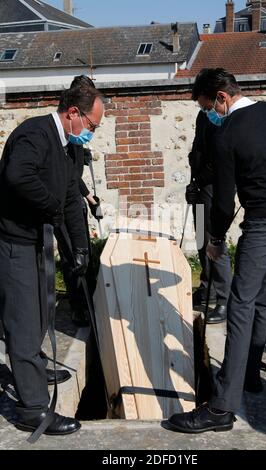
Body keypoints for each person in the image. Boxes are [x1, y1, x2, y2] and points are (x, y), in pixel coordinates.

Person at [168, 68, 266, 434]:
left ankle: (222, 408)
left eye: (209, 107)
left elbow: (224, 204)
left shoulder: (226, 134)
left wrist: (213, 241)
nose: (210, 115)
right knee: (263, 298)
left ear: (222, 98)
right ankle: (252, 375)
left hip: (261, 225)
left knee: (240, 308)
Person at [0, 85, 103, 436]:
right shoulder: (35, 133)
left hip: (40, 241)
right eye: (93, 124)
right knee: (24, 320)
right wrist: (51, 207)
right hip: (15, 241)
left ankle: (36, 366)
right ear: (73, 113)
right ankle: (32, 408)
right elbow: (18, 176)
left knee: (44, 312)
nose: (93, 131)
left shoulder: (71, 148)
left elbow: (72, 199)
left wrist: (79, 248)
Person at [57, 75, 101, 327]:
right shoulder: (66, 129)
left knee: (84, 251)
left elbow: (74, 174)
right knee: (70, 254)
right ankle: (77, 306)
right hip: (62, 203)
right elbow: (65, 174)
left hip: (76, 199)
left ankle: (89, 297)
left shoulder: (76, 136)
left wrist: (89, 197)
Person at [188, 107, 232, 324]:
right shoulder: (203, 114)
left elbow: (221, 159)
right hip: (200, 184)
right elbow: (198, 149)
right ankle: (208, 288)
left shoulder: (225, 116)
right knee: (200, 239)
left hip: (215, 187)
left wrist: (201, 177)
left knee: (214, 239)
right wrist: (192, 182)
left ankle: (225, 299)